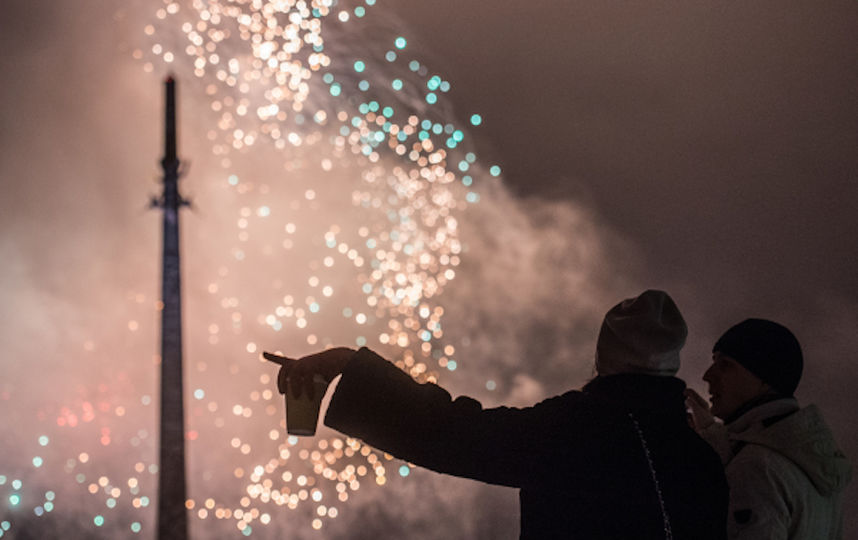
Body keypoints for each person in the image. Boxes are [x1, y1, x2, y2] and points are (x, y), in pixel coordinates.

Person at [266, 290, 727, 539]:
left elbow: (452, 432)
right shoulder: (704, 458)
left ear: (605, 358)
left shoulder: (578, 430)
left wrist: (349, 366)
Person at [686, 319, 852, 539]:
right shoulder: (814, 462)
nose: (708, 375)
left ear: (764, 378)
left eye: (725, 365)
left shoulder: (757, 467)